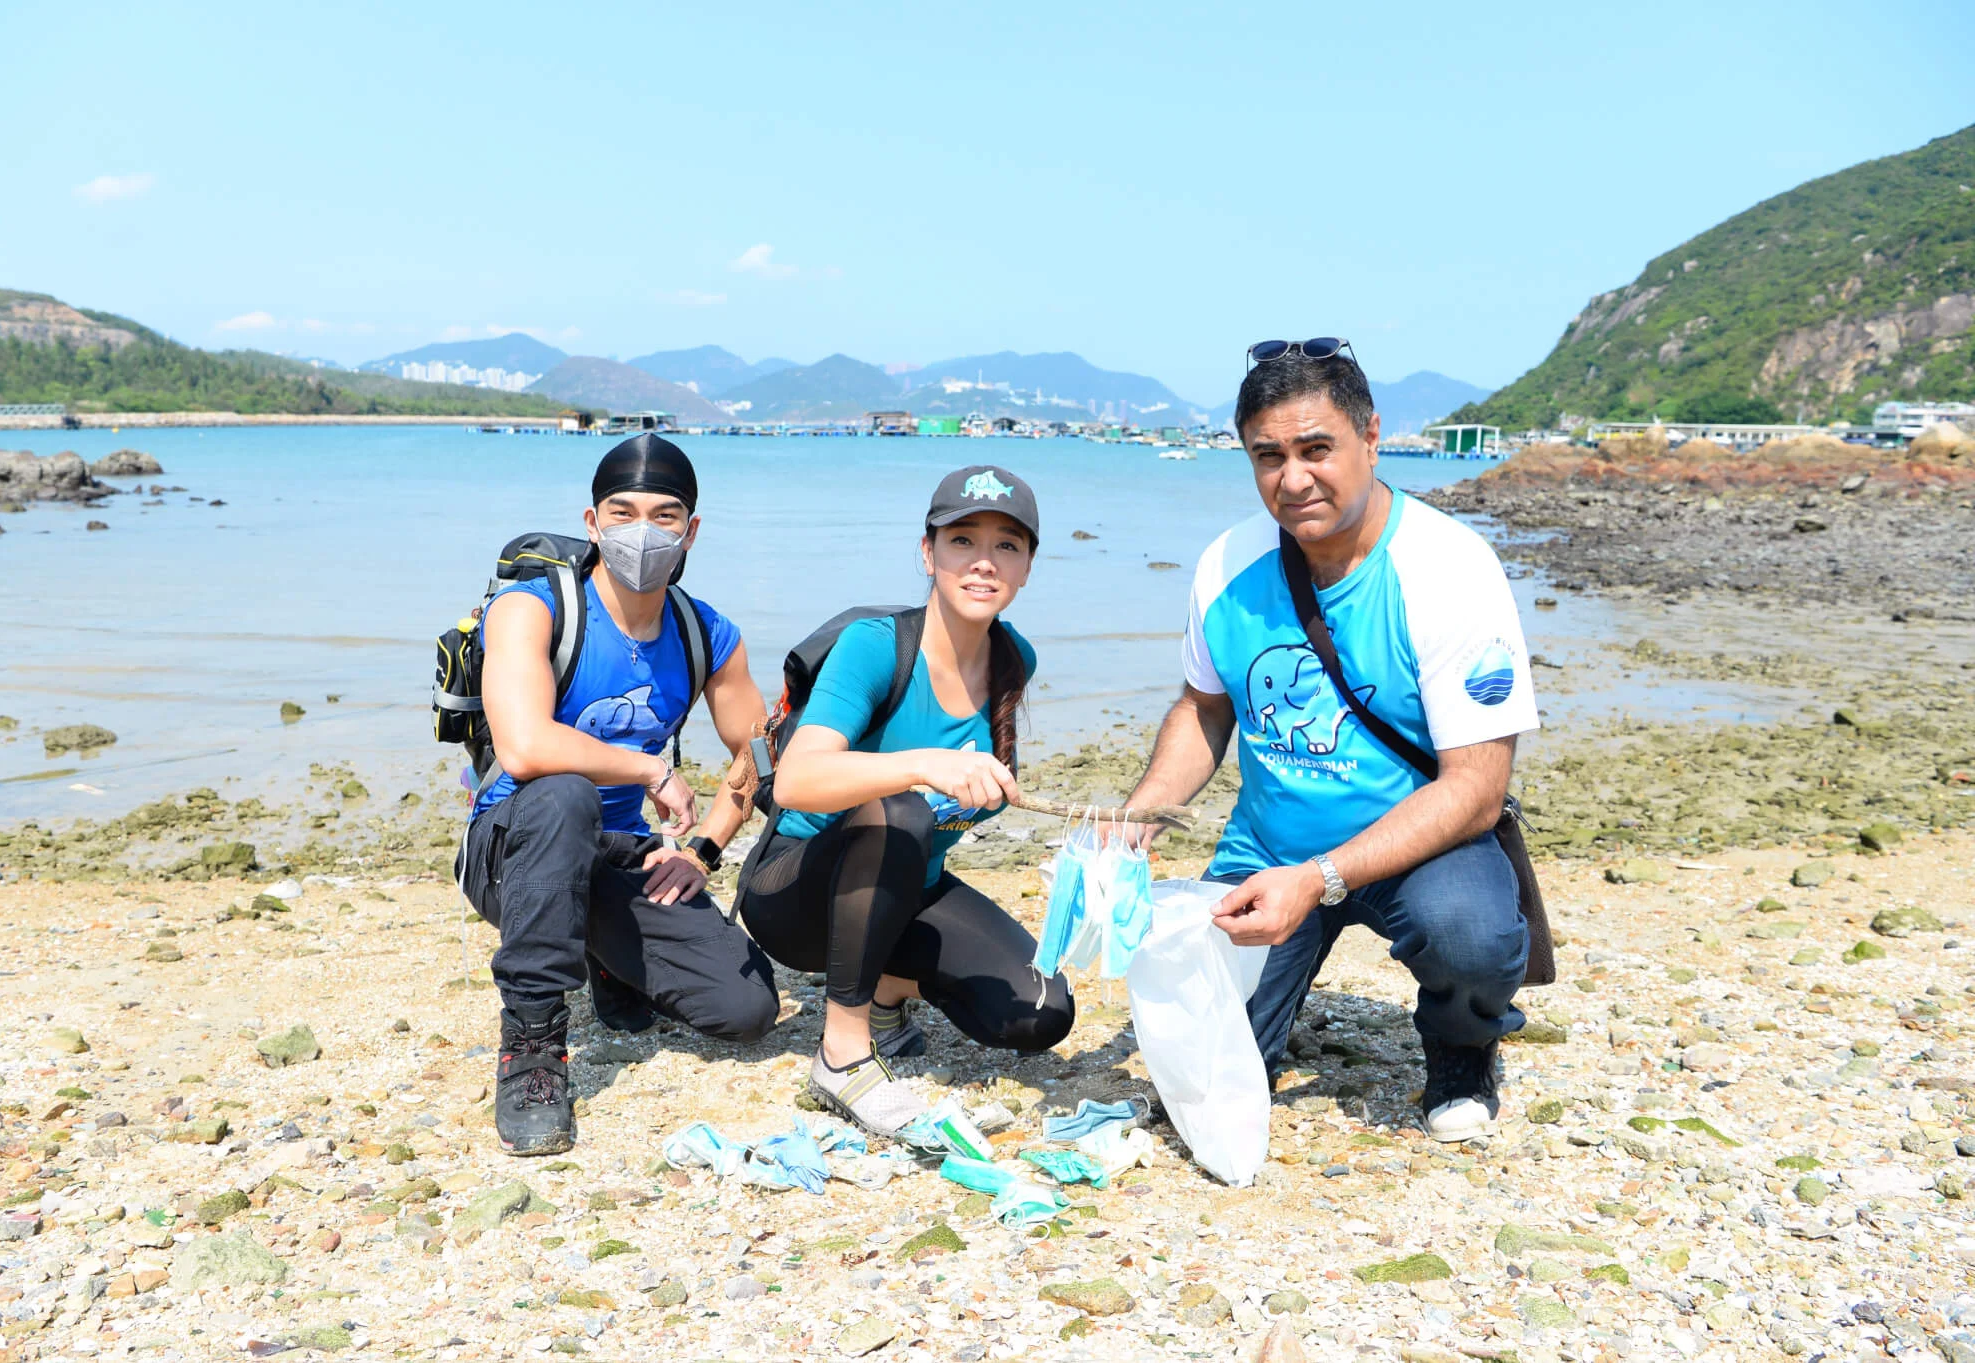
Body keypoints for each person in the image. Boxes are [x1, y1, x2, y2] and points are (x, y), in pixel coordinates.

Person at [1122, 339, 1538, 1141]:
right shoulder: (1227, 564)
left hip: (1420, 845)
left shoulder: (1449, 568)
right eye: (1268, 455)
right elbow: (1204, 709)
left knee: (1471, 936)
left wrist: (1319, 880)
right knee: (1209, 1075)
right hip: (1269, 847)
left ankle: (1462, 1047)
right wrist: (1140, 814)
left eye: (1317, 449)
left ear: (1371, 436)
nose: (1293, 477)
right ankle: (1262, 1018)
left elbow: (1476, 787)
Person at [459, 434, 779, 1156]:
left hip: (614, 852)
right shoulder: (532, 609)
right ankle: (533, 1042)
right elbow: (524, 746)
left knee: (747, 1007)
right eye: (623, 511)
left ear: (691, 530)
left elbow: (754, 756)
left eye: (665, 515)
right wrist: (649, 772)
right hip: (512, 847)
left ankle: (605, 950)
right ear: (593, 519)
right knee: (565, 791)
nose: (643, 530)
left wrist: (702, 850)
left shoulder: (707, 635)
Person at [739, 465, 1075, 1138]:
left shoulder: (1015, 660)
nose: (984, 561)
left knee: (1043, 1010)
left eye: (1007, 545)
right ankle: (842, 1051)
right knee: (901, 809)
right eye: (962, 541)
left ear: (1029, 566)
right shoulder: (876, 647)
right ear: (928, 553)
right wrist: (923, 765)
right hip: (796, 888)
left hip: (905, 887)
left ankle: (886, 991)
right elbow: (799, 779)